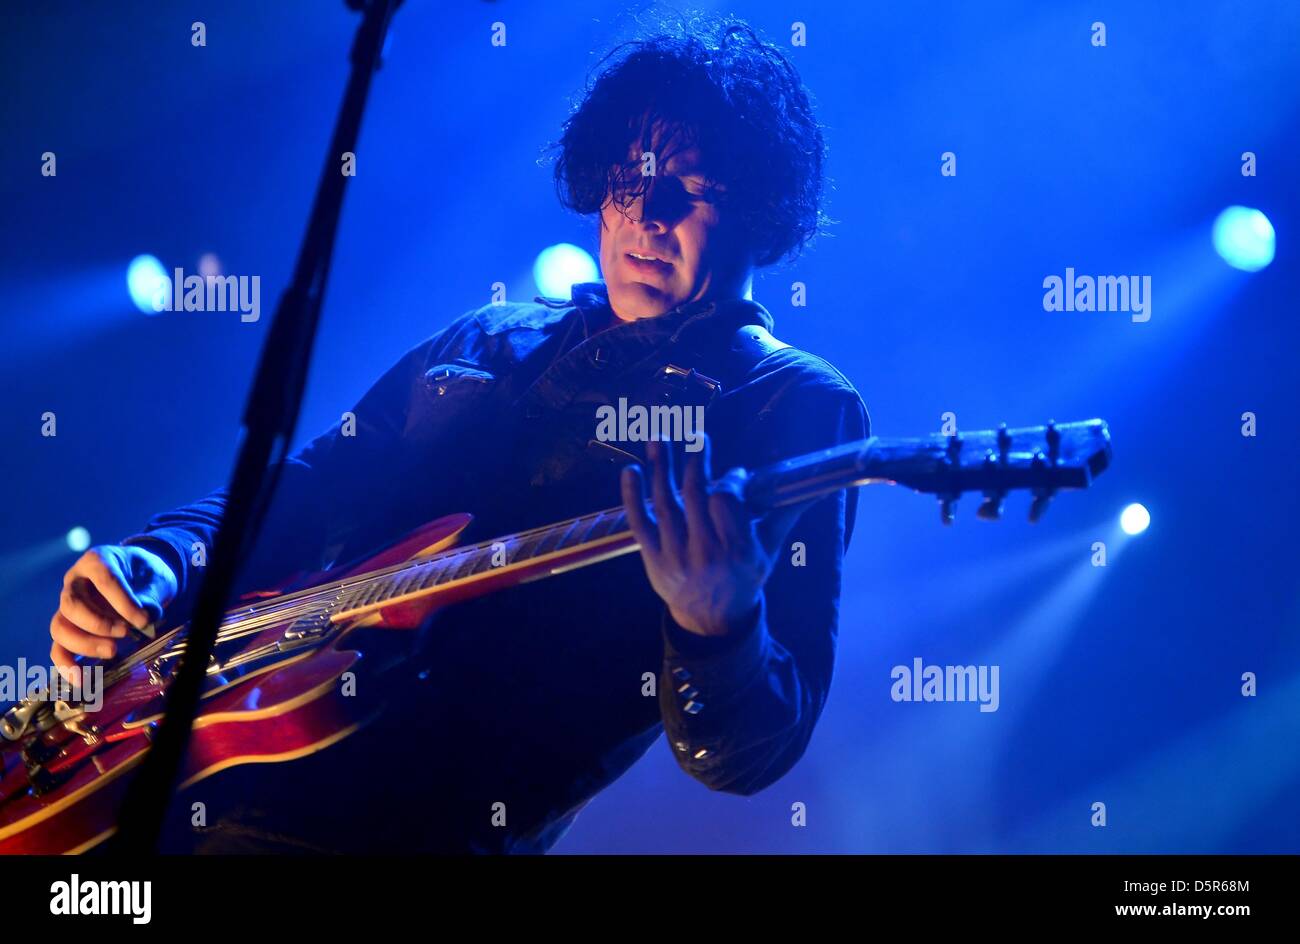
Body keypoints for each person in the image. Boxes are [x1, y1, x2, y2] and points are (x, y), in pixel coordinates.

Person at [48, 14, 869, 853]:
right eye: (628, 176)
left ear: (761, 213)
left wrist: (718, 625)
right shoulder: (486, 336)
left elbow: (751, 749)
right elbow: (312, 484)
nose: (646, 214)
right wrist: (165, 557)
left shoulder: (791, 402)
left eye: (691, 192)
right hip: (195, 780)